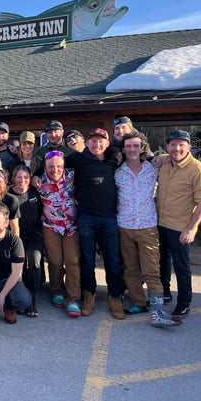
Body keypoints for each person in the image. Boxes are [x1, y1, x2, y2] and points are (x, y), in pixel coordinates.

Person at [115, 132, 180, 327]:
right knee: (131, 268)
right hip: (124, 225)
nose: (132, 149)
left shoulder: (153, 168)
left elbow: (175, 157)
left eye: (136, 146)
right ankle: (138, 302)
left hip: (147, 226)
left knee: (152, 269)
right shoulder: (118, 171)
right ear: (124, 149)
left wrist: (159, 158)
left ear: (143, 148)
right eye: (128, 146)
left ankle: (157, 308)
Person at [64, 128, 125, 319]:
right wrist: (36, 174)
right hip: (86, 218)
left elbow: (138, 155)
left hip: (109, 217)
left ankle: (115, 297)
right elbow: (55, 162)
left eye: (101, 141)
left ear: (107, 143)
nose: (97, 145)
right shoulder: (77, 159)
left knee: (113, 260)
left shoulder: (114, 158)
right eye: (93, 141)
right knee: (87, 261)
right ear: (87, 143)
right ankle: (88, 296)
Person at [157, 130, 201, 318]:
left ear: (189, 147)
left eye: (181, 144)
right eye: (173, 144)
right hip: (160, 222)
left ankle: (184, 302)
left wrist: (192, 228)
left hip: (180, 226)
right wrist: (158, 159)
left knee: (181, 265)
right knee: (162, 260)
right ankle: (165, 293)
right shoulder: (163, 161)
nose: (177, 148)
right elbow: (157, 158)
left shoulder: (199, 170)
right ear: (167, 147)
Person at [37, 152, 82, 317]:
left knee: (72, 261)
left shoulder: (73, 176)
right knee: (55, 261)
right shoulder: (39, 181)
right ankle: (57, 290)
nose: (55, 170)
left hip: (71, 226)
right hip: (51, 225)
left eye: (58, 166)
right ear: (45, 167)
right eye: (50, 166)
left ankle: (73, 298)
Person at [9, 165, 44, 317]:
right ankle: (18, 298)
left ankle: (31, 299)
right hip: (15, 236)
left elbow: (43, 210)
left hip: (34, 234)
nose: (22, 180)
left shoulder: (35, 192)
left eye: (25, 178)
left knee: (34, 263)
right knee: (17, 266)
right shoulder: (8, 195)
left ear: (30, 179)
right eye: (19, 177)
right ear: (13, 178)